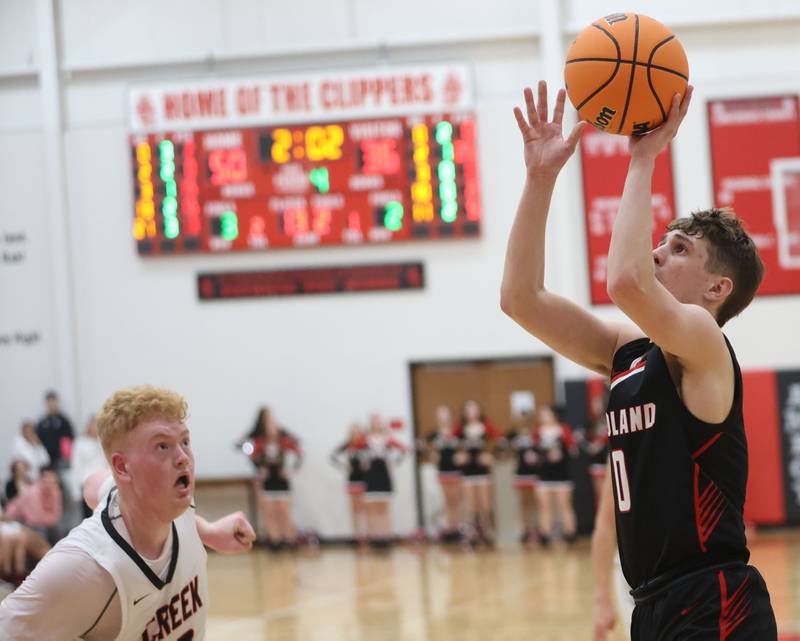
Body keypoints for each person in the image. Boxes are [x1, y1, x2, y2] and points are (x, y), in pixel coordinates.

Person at [501, 81, 776, 639]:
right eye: (665, 240)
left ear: (717, 287)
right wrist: (540, 178)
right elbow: (520, 299)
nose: (658, 250)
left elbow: (626, 280)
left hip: (712, 602)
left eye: (680, 249)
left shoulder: (704, 344)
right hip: (654, 606)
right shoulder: (630, 351)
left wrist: (643, 156)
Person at [0, 384, 256, 640]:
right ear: (122, 467)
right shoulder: (86, 567)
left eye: (185, 441)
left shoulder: (170, 500)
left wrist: (210, 532)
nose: (183, 457)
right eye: (162, 446)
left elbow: (93, 485)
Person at [244, 406, 302, 550]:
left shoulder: (284, 440)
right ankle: (275, 541)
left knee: (283, 510)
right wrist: (259, 469)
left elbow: (299, 454)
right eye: (268, 424)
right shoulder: (259, 442)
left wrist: (290, 469)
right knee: (269, 511)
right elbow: (249, 453)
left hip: (281, 479)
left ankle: (289, 540)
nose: (272, 427)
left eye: (273, 423)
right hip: (267, 480)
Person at [456, 399, 499, 545]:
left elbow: (500, 441)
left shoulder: (486, 427)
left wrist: (490, 455)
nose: (471, 412)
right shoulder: (460, 428)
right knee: (470, 504)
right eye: (468, 409)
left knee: (485, 503)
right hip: (467, 471)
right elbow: (450, 444)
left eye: (474, 409)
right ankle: (471, 532)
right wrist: (458, 455)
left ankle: (487, 531)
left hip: (482, 470)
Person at [534, 405, 577, 544]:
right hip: (544, 474)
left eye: (546, 413)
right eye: (542, 414)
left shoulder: (563, 429)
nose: (543, 417)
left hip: (562, 473)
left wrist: (562, 452)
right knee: (544, 506)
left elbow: (573, 449)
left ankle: (570, 534)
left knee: (564, 505)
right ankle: (545, 536)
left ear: (553, 415)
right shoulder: (537, 432)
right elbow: (533, 451)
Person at [362, 413, 406, 550]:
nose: (376, 423)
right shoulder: (364, 440)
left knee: (384, 509)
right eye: (374, 421)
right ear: (370, 423)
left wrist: (395, 462)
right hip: (371, 476)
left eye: (378, 421)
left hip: (384, 475)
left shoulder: (388, 440)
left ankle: (386, 538)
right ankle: (374, 538)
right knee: (372, 509)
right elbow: (353, 452)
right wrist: (363, 462)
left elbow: (403, 449)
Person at [423, 405, 464, 542]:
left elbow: (465, 446)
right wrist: (432, 455)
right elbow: (423, 446)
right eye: (440, 414)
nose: (443, 417)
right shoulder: (434, 434)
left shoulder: (457, 432)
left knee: (456, 499)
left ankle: (457, 527)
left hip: (456, 471)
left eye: (445, 414)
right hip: (442, 470)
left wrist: (461, 455)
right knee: (446, 500)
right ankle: (448, 529)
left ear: (450, 416)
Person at [501, 409, 540, 545]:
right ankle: (525, 529)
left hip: (535, 473)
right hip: (520, 473)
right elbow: (502, 449)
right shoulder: (513, 435)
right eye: (521, 417)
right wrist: (510, 453)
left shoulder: (536, 434)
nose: (524, 420)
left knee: (536, 502)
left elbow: (542, 449)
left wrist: (537, 456)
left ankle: (537, 529)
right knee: (523, 502)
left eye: (526, 417)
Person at [4, 465, 64, 545]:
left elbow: (56, 516)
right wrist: (48, 519)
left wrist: (47, 519)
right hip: (15, 519)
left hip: (40, 522)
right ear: (41, 479)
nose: (50, 482)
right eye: (47, 478)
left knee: (58, 530)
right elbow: (33, 519)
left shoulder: (56, 491)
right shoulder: (33, 492)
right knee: (40, 531)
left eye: (53, 479)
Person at [330, 423, 369, 547]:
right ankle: (356, 536)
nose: (355, 434)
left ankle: (366, 535)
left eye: (357, 431)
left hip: (364, 480)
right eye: (353, 432)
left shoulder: (365, 445)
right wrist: (344, 465)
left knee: (364, 508)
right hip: (352, 480)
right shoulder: (348, 445)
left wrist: (367, 465)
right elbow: (333, 456)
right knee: (354, 509)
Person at [70, 415, 108, 518]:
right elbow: (76, 466)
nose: (96, 428)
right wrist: (76, 491)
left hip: (104, 483)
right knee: (89, 516)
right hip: (87, 483)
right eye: (94, 424)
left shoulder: (104, 441)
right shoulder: (80, 442)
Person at [35, 390, 74, 471]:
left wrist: (65, 456)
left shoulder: (64, 421)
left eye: (53, 402)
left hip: (60, 459)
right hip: (45, 458)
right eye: (49, 402)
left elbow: (69, 440)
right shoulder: (42, 423)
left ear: (57, 402)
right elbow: (38, 440)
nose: (51, 405)